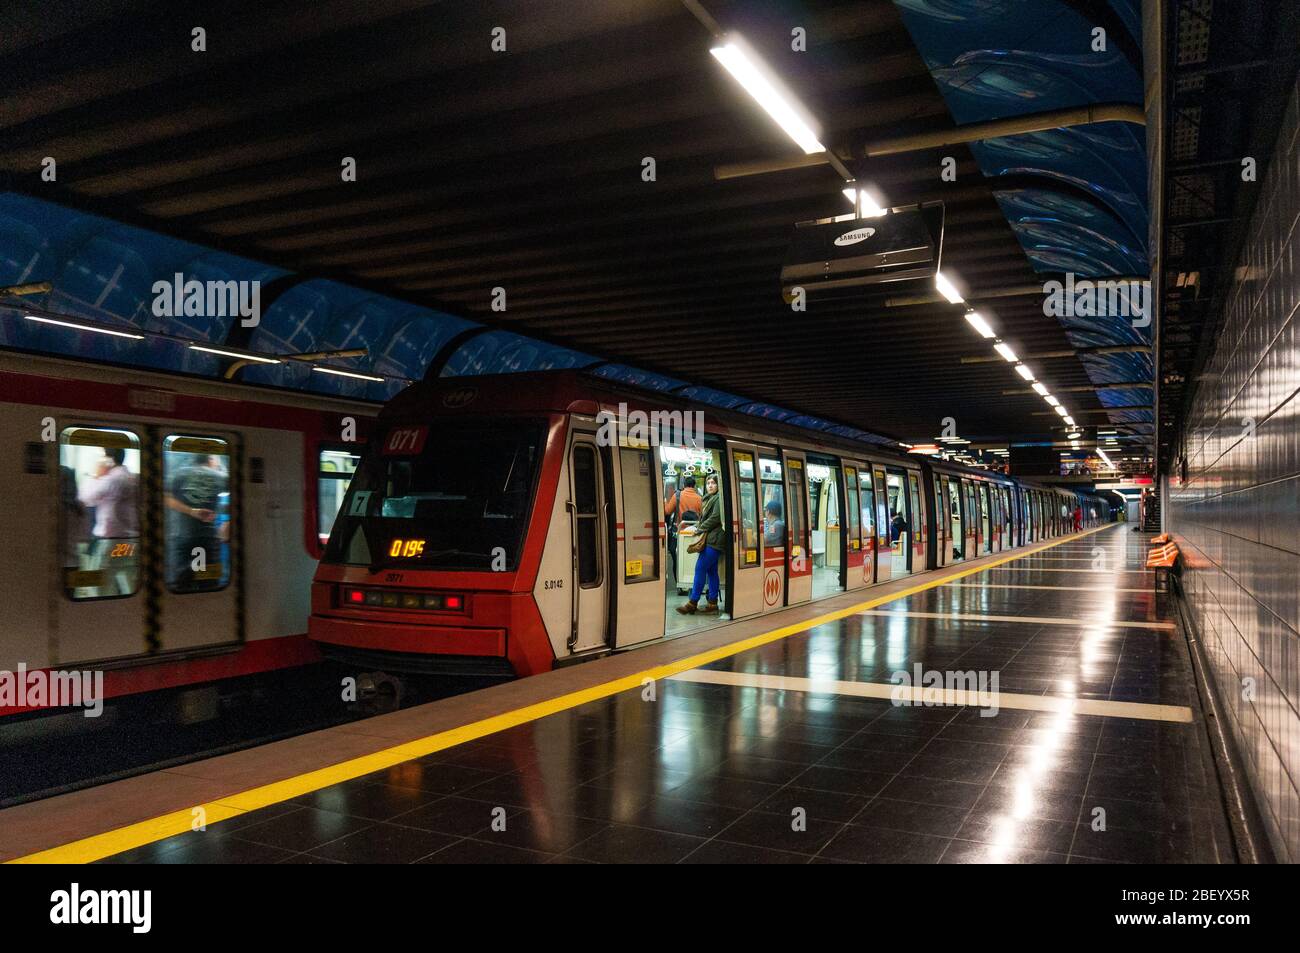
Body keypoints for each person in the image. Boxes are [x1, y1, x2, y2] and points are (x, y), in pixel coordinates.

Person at [165, 453, 228, 590]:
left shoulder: (179, 474)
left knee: (182, 582)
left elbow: (166, 498)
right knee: (208, 583)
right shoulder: (218, 476)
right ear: (210, 459)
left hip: (182, 537)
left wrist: (191, 511)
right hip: (207, 538)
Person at [677, 474, 726, 615]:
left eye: (713, 483)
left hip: (714, 540)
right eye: (708, 483)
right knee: (711, 572)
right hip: (713, 538)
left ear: (718, 486)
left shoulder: (718, 499)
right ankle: (712, 602)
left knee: (700, 568)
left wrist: (699, 528)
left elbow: (716, 517)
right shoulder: (709, 498)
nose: (710, 485)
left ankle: (693, 602)